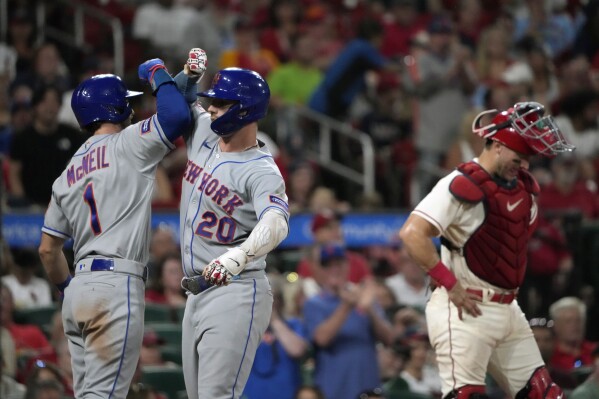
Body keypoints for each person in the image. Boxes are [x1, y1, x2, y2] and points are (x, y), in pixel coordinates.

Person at [37, 58, 192, 398]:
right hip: (115, 285)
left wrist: (67, 289)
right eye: (128, 103)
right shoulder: (129, 143)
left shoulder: (68, 172)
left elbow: (48, 250)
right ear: (116, 107)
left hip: (79, 290)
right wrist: (156, 73)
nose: (133, 110)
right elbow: (177, 117)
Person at [399, 101, 574, 399]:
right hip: (464, 309)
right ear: (498, 145)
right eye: (521, 155)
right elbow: (413, 233)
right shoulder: (459, 183)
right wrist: (448, 280)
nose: (526, 164)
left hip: (508, 310)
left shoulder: (524, 188)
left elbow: (511, 242)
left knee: (545, 395)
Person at [173, 48, 290, 399]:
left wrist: (238, 256)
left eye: (221, 104)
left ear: (245, 110)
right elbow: (176, 102)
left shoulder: (261, 169)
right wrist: (188, 77)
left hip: (236, 289)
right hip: (195, 293)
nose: (211, 109)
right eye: (213, 102)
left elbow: (277, 223)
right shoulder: (206, 132)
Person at [303, 243, 393, 399]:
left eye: (339, 264)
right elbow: (321, 339)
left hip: (368, 387)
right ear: (321, 270)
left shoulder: (365, 298)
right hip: (333, 389)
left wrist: (369, 308)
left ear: (347, 266)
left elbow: (389, 338)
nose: (334, 269)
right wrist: (347, 305)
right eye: (328, 265)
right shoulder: (314, 303)